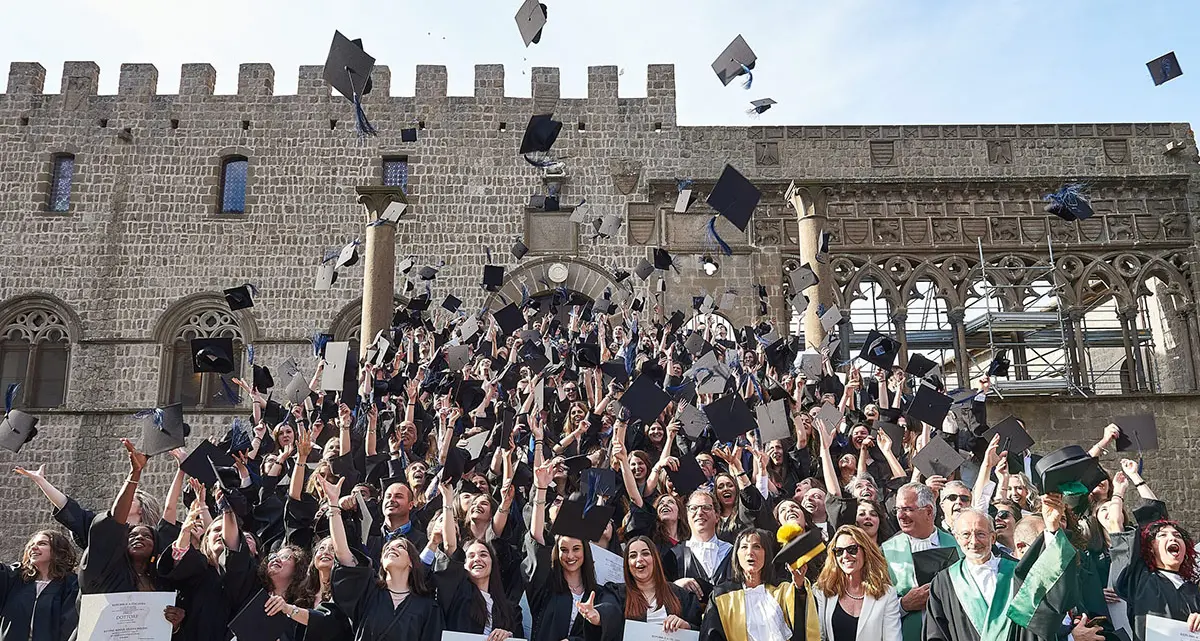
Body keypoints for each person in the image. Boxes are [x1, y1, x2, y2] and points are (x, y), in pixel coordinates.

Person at [922, 496, 1079, 641]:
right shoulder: (945, 582)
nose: (974, 541)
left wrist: (1052, 529)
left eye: (980, 534)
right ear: (956, 538)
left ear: (993, 537)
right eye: (966, 535)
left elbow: (1050, 594)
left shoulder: (1017, 572)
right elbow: (936, 634)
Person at [327, 476, 443, 641]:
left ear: (412, 561)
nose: (392, 548)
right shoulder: (368, 593)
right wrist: (333, 505)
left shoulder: (428, 607)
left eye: (400, 546)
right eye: (387, 548)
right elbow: (343, 552)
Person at [525, 460, 602, 641]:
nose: (570, 555)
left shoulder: (597, 593)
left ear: (585, 552)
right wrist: (541, 489)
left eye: (576, 549)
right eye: (564, 550)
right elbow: (537, 538)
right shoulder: (546, 587)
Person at [699, 527, 819, 641]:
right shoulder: (721, 596)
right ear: (737, 555)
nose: (750, 552)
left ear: (766, 554)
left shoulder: (783, 590)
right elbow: (711, 636)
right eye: (744, 547)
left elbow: (802, 624)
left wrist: (799, 584)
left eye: (756, 547)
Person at [581, 536, 702, 641]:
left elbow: (700, 630)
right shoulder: (616, 593)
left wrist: (686, 627)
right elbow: (610, 610)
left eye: (645, 553)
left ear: (655, 559)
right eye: (633, 556)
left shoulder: (680, 594)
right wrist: (598, 616)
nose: (639, 559)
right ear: (627, 564)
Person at [880, 482, 959, 641]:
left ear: (929, 511)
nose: (900, 516)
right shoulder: (886, 552)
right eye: (898, 510)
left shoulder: (959, 547)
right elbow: (872, 608)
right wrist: (903, 605)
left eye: (907, 509)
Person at [1109, 514, 1200, 639]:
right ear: (1151, 548)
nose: (1173, 538)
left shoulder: (1193, 589)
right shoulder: (1140, 579)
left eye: (1178, 536)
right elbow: (1116, 525)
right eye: (1162, 535)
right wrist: (1116, 501)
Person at [813, 525, 902, 641]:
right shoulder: (824, 590)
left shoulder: (887, 594)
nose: (845, 556)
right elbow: (819, 636)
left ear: (866, 551)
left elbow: (892, 638)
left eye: (852, 549)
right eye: (839, 551)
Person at [0, 530, 79, 641]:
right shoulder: (14, 578)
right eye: (31, 545)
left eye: (42, 543)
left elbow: (69, 627)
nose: (33, 548)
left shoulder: (71, 585)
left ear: (58, 550)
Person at [667, 491, 733, 603]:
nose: (699, 512)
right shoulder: (674, 555)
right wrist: (675, 586)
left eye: (706, 508)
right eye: (693, 508)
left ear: (717, 516)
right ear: (687, 516)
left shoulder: (733, 552)